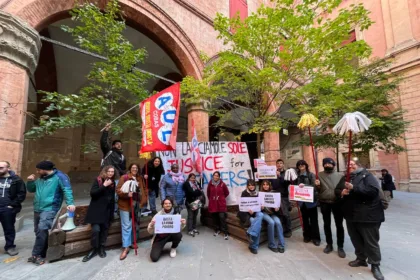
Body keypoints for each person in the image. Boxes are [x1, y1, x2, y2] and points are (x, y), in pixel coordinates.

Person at [335, 160, 385, 280]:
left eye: (353, 164)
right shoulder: (345, 177)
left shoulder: (367, 176)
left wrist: (354, 188)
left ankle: (375, 264)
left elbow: (373, 191)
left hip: (367, 216)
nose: (350, 166)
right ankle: (361, 259)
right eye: (348, 165)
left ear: (359, 166)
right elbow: (336, 190)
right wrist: (342, 192)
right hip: (351, 215)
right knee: (355, 239)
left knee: (370, 241)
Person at [26, 161, 75, 265]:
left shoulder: (60, 176)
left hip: (50, 208)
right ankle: (42, 252)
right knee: (38, 231)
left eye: (38, 170)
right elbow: (32, 189)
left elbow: (67, 190)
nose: (37, 171)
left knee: (42, 230)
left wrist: (70, 203)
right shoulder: (41, 178)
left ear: (45, 169)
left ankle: (36, 255)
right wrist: (30, 181)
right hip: (38, 208)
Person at [83, 166, 117, 262]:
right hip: (96, 210)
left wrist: (112, 212)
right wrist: (104, 186)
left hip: (106, 210)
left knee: (105, 230)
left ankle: (101, 247)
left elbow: (112, 198)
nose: (111, 173)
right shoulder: (98, 180)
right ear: (105, 171)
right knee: (96, 230)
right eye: (109, 171)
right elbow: (93, 194)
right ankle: (94, 249)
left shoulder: (112, 182)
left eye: (112, 172)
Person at [315, 158, 346, 258]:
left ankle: (340, 246)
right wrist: (317, 186)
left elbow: (343, 189)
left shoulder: (340, 175)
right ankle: (329, 244)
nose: (327, 165)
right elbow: (317, 190)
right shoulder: (319, 175)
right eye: (325, 163)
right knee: (326, 224)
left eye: (329, 163)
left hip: (337, 202)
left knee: (339, 225)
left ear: (333, 165)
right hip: (324, 202)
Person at [116, 163, 146, 260]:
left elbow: (143, 190)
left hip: (136, 205)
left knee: (134, 224)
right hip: (125, 206)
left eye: (136, 168)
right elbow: (118, 191)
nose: (135, 169)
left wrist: (143, 202)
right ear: (130, 169)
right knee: (127, 225)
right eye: (133, 168)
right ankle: (126, 247)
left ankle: (133, 242)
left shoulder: (140, 178)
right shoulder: (124, 178)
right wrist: (126, 194)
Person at [147, 197, 186, 262]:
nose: (168, 205)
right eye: (165, 203)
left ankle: (173, 247)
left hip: (171, 235)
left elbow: (179, 229)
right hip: (160, 237)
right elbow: (150, 232)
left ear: (172, 204)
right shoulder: (158, 215)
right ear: (162, 205)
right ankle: (159, 247)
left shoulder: (176, 214)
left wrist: (183, 224)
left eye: (169, 203)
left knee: (178, 235)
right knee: (154, 258)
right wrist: (151, 225)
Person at [0, 161, 26, 256]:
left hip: (7, 209)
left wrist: (12, 205)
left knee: (9, 229)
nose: (0, 169)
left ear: (8, 168)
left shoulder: (16, 180)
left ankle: (10, 247)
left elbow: (21, 194)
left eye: (2, 167)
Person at [294, 160, 321, 246]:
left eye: (302, 164)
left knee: (314, 220)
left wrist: (305, 186)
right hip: (302, 202)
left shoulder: (311, 175)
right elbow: (294, 187)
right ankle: (306, 236)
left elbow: (315, 187)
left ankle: (316, 238)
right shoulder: (296, 176)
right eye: (299, 165)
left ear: (306, 165)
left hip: (311, 202)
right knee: (305, 220)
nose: (301, 166)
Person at [238, 179, 264, 254]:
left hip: (255, 212)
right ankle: (253, 246)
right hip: (247, 214)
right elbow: (242, 205)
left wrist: (261, 206)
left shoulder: (257, 193)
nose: (251, 186)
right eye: (249, 185)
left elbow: (259, 204)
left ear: (254, 185)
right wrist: (248, 209)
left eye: (252, 185)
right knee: (255, 223)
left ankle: (250, 232)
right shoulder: (244, 193)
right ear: (247, 186)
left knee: (261, 214)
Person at [260, 180, 285, 253]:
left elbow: (278, 205)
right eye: (264, 184)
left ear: (269, 185)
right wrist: (260, 207)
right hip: (264, 213)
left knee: (278, 223)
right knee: (271, 223)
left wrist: (277, 208)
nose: (265, 186)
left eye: (267, 184)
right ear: (262, 186)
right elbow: (256, 206)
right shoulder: (260, 194)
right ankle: (271, 244)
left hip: (273, 213)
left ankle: (281, 245)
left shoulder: (274, 193)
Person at [269, 159, 292, 238]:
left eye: (281, 163)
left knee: (285, 214)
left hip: (284, 196)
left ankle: (288, 230)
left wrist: (280, 177)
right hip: (275, 196)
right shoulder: (273, 173)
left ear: (283, 164)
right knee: (278, 214)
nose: (279, 164)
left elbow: (287, 183)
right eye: (277, 163)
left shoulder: (286, 173)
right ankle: (281, 229)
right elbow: (268, 182)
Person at [207, 171, 230, 240]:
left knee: (222, 217)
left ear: (219, 177)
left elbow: (227, 192)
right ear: (213, 176)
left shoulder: (222, 184)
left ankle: (225, 232)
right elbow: (208, 193)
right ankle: (217, 230)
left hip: (221, 204)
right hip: (213, 204)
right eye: (214, 175)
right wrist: (212, 199)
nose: (216, 177)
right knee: (215, 218)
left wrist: (221, 198)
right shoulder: (210, 184)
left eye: (217, 176)